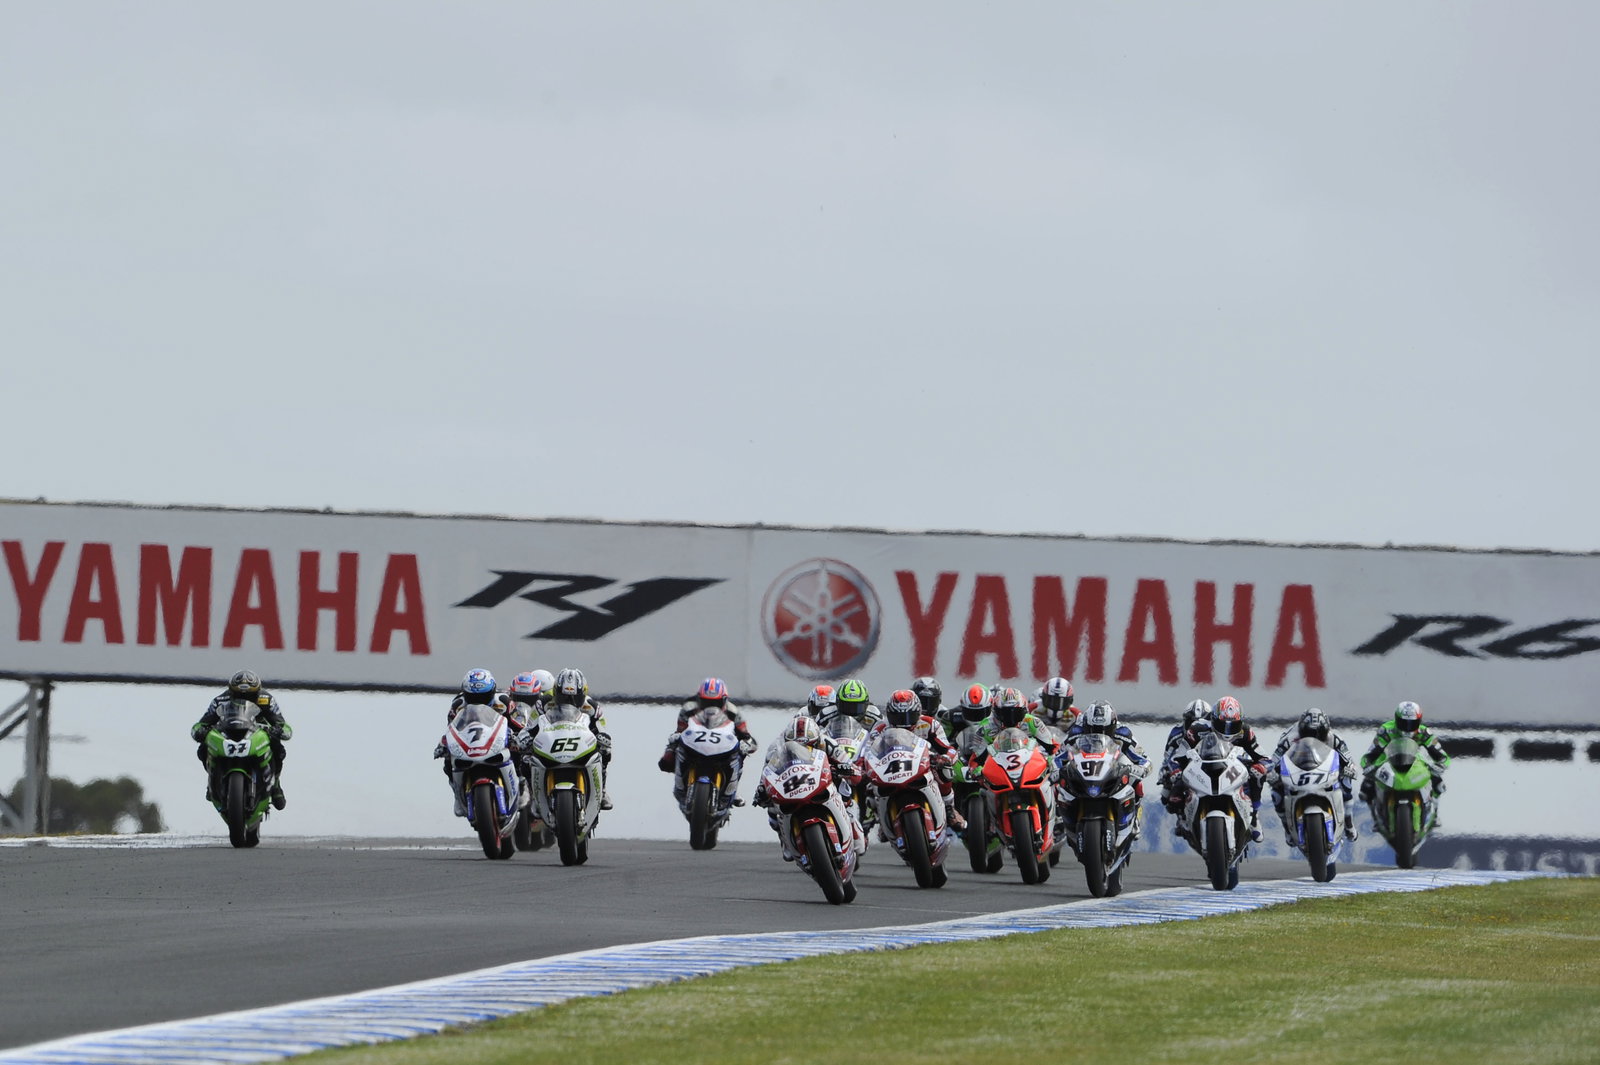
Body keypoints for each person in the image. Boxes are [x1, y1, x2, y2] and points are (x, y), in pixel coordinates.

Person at [751, 713, 866, 861]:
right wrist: (760, 790)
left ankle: (852, 826)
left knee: (845, 791)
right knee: (773, 807)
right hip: (794, 786)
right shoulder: (775, 749)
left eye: (809, 746)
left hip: (823, 782)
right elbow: (766, 775)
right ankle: (786, 838)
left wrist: (846, 769)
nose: (803, 750)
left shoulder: (828, 743)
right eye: (797, 747)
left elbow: (854, 771)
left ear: (817, 740)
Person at [861, 688, 965, 830]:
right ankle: (879, 816)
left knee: (945, 770)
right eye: (898, 717)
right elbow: (867, 752)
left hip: (924, 764)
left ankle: (949, 808)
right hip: (891, 767)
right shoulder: (880, 728)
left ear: (918, 712)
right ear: (890, 715)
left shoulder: (929, 724)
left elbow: (948, 748)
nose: (904, 722)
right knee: (868, 784)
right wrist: (864, 766)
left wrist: (945, 758)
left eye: (909, 716)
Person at [191, 669, 292, 809]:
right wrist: (200, 731)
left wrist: (279, 731)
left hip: (257, 734)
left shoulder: (266, 700)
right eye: (238, 695)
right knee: (203, 748)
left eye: (250, 696)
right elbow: (201, 724)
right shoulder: (220, 700)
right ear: (231, 692)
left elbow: (283, 725)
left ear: (257, 693)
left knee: (278, 749)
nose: (244, 700)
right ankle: (212, 780)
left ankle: (275, 785)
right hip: (229, 732)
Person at [1060, 701, 1151, 838]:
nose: (1098, 734)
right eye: (1093, 729)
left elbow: (1143, 758)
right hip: (1085, 769)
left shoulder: (1123, 733)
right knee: (1060, 782)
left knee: (1136, 782)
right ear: (1086, 724)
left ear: (1113, 725)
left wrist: (1141, 768)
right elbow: (1060, 756)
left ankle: (1135, 818)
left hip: (1112, 768)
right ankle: (1062, 819)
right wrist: (1054, 768)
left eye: (1104, 729)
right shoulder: (1076, 732)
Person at [433, 668, 517, 817]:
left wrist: (516, 737)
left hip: (497, 741)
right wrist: (443, 744)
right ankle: (458, 795)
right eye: (473, 697)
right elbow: (451, 729)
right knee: (448, 761)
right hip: (471, 744)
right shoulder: (457, 705)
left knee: (519, 753)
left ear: (492, 691)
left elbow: (517, 724)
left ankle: (521, 785)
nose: (479, 700)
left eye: (484, 696)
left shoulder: (504, 702)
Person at [1269, 708, 1358, 844]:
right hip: (1298, 771)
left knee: (1346, 782)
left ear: (1326, 729)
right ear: (1301, 729)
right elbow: (1274, 759)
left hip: (1325, 770)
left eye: (1319, 733)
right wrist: (1271, 773)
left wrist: (1350, 769)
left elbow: (1349, 760)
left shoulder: (1334, 738)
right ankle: (1287, 828)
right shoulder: (1289, 738)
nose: (1314, 736)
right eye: (1309, 733)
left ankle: (1348, 822)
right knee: (1276, 791)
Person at [660, 677, 758, 799]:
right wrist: (673, 743)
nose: (711, 707)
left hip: (722, 746)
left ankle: (732, 791)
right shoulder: (688, 709)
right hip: (696, 743)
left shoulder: (733, 711)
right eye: (706, 702)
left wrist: (746, 744)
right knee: (669, 755)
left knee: (740, 754)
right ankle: (680, 785)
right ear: (699, 699)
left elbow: (747, 737)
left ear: (724, 700)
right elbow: (680, 731)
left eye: (716, 703)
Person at [1360, 701, 1451, 824]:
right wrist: (1368, 765)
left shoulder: (1424, 733)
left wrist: (1440, 765)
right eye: (1404, 723)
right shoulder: (1386, 731)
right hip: (1390, 762)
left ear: (1419, 721)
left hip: (1415, 764)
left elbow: (1442, 756)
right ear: (1397, 719)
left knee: (1439, 784)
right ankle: (1375, 817)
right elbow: (1370, 754)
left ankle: (1435, 814)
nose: (1408, 727)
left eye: (1412, 723)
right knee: (1366, 788)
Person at [546, 667, 614, 810]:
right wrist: (525, 736)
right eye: (564, 697)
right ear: (555, 692)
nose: (569, 701)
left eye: (574, 697)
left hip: (581, 743)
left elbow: (601, 728)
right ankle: (531, 793)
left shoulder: (592, 707)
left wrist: (603, 737)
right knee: (527, 757)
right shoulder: (545, 704)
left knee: (605, 751)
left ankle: (602, 790)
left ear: (583, 693)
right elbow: (531, 726)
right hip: (551, 742)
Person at [1210, 695, 1270, 841]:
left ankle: (1254, 815)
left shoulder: (1246, 732)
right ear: (1213, 720)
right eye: (1223, 725)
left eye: (1233, 725)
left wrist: (1261, 766)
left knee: (1259, 774)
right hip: (1209, 767)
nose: (1227, 730)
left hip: (1235, 770)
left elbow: (1265, 758)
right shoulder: (1200, 729)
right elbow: (1181, 755)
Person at [1158, 699, 1212, 816]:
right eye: (1192, 722)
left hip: (1211, 766)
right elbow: (1168, 757)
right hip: (1186, 769)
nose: (1196, 726)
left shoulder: (1215, 730)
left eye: (1201, 722)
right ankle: (1183, 816)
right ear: (1185, 721)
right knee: (1166, 796)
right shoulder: (1176, 733)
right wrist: (1173, 771)